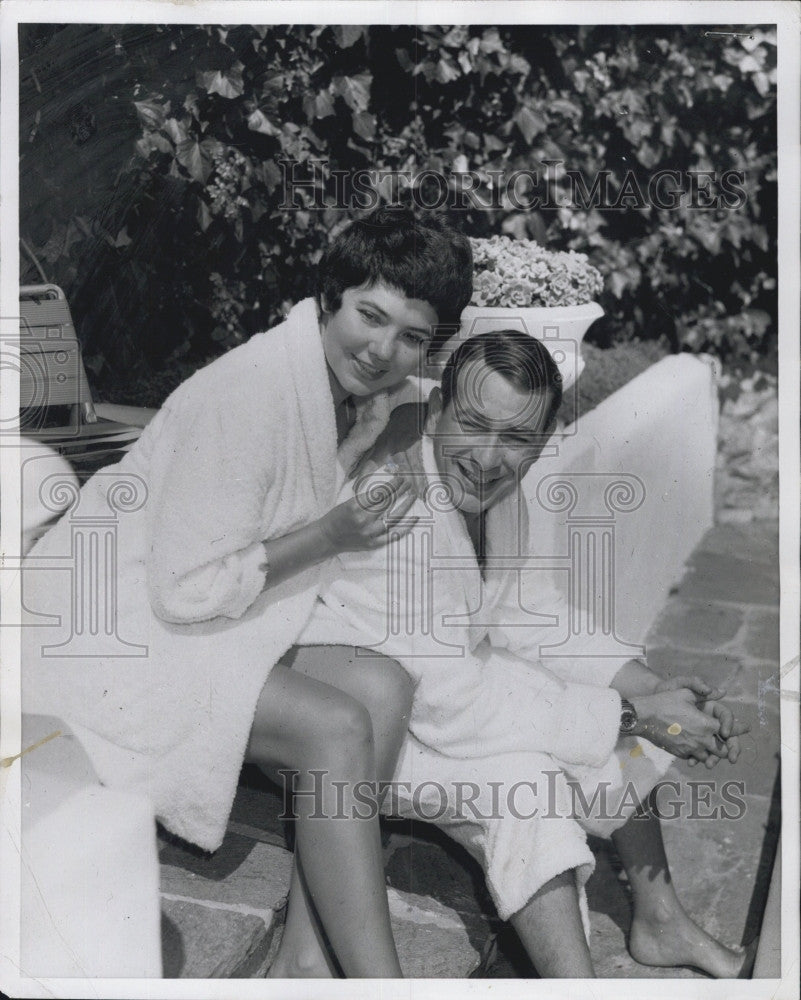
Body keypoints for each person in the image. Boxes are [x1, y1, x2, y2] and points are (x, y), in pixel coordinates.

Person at [21, 207, 473, 978]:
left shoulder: (345, 386)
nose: (382, 349)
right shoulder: (251, 392)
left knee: (384, 687)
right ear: (327, 298)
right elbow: (188, 589)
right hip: (113, 627)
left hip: (199, 604)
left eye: (411, 336)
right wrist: (333, 535)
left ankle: (306, 954)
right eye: (370, 316)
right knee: (333, 726)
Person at [293, 329, 752, 978]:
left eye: (514, 439)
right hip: (368, 737)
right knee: (526, 783)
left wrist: (650, 686)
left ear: (541, 443)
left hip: (438, 692)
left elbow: (532, 616)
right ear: (437, 413)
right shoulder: (393, 503)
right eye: (472, 426)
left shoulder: (496, 499)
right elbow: (447, 702)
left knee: (619, 725)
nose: (486, 456)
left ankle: (659, 919)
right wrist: (632, 712)